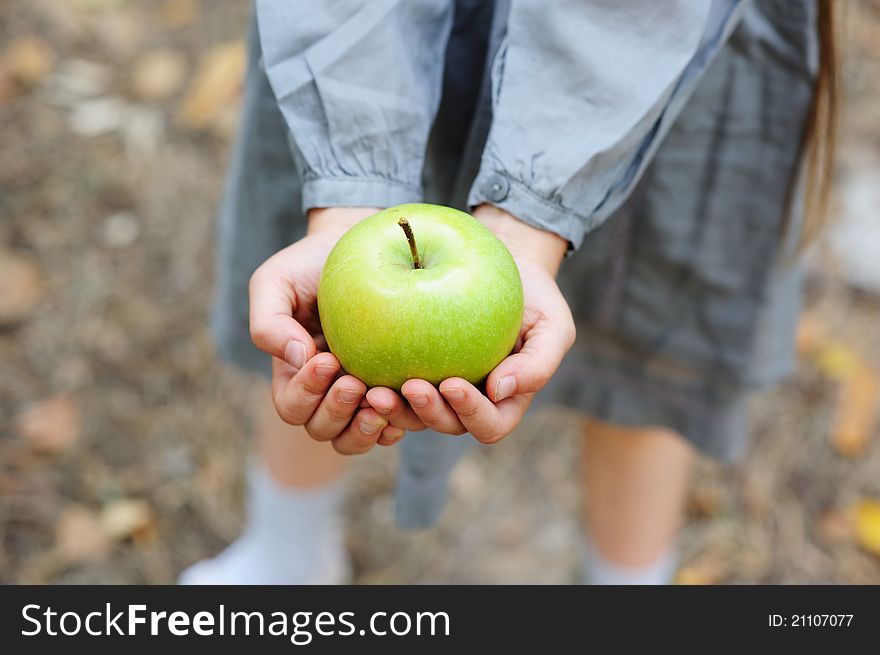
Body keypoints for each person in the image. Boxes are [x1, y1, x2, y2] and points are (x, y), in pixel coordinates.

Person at [180, 0, 836, 585]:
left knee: (642, 336)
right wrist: (350, 180)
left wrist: (534, 209)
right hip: (352, 41)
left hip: (653, 45)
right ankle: (287, 555)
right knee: (319, 327)